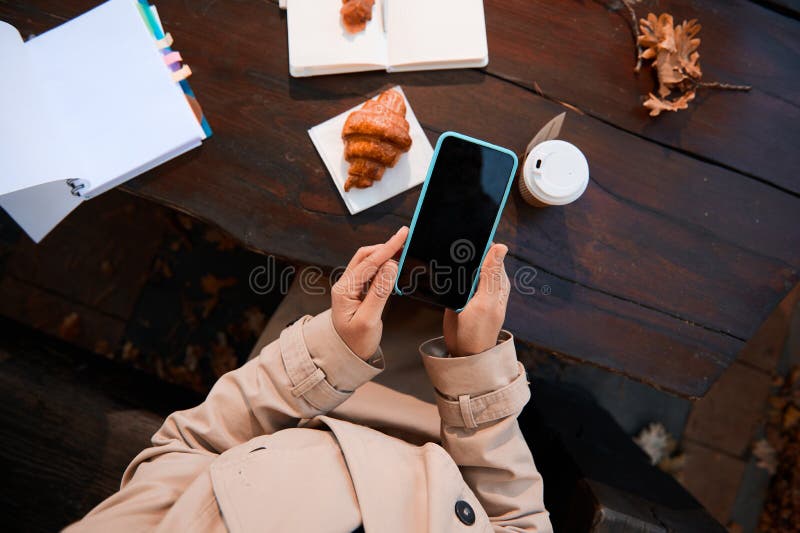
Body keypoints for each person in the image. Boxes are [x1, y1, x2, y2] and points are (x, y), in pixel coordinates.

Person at [66, 226, 552, 532]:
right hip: (464, 442)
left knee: (340, 248)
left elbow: (186, 446)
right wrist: (475, 368)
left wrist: (329, 355)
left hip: (303, 396)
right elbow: (520, 521)